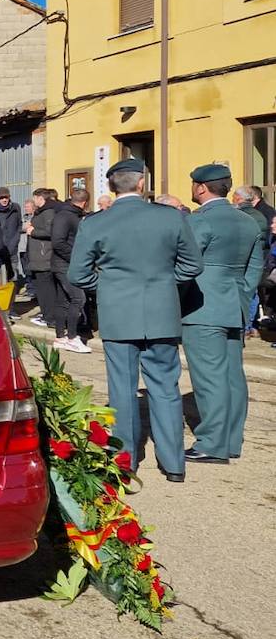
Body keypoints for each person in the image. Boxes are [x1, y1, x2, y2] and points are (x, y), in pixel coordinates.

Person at [67, 158, 201, 482]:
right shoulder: (170, 217)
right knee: (166, 388)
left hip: (118, 313)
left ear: (112, 186)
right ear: (142, 183)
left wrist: (110, 287)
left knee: (122, 389)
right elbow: (192, 265)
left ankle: (125, 461)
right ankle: (173, 464)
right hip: (162, 311)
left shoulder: (96, 222)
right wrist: (165, 283)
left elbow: (78, 273)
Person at [180, 165, 266, 464]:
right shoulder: (248, 222)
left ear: (201, 188)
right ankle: (231, 440)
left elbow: (185, 263)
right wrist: (241, 296)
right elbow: (256, 268)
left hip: (203, 305)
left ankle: (212, 444)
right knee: (232, 375)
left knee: (209, 377)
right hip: (235, 302)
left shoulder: (199, 220)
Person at [49, 188, 90, 352]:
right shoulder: (65, 216)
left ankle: (60, 336)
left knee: (64, 300)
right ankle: (71, 337)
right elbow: (58, 242)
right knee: (78, 298)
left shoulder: (72, 215)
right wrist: (75, 259)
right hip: (64, 264)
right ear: (85, 202)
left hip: (63, 263)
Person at [233, 185, 271, 336]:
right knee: (252, 291)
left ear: (239, 199)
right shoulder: (259, 215)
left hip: (244, 259)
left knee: (246, 292)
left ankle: (245, 325)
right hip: (257, 258)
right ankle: (249, 325)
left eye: (234, 197)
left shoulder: (240, 216)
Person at [25, 189, 58, 329]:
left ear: (40, 198)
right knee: (42, 289)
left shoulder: (49, 212)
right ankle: (46, 315)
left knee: (47, 290)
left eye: (35, 198)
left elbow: (50, 232)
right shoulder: (41, 212)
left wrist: (33, 231)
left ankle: (50, 318)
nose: (33, 201)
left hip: (44, 258)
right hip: (37, 258)